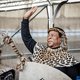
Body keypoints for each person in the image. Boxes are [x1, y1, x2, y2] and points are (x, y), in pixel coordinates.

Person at [21, 7, 80, 80]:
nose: (49, 37)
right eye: (48, 35)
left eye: (53, 35)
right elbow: (27, 38)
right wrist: (25, 19)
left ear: (60, 40)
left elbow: (76, 77)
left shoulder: (68, 59)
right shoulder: (39, 50)